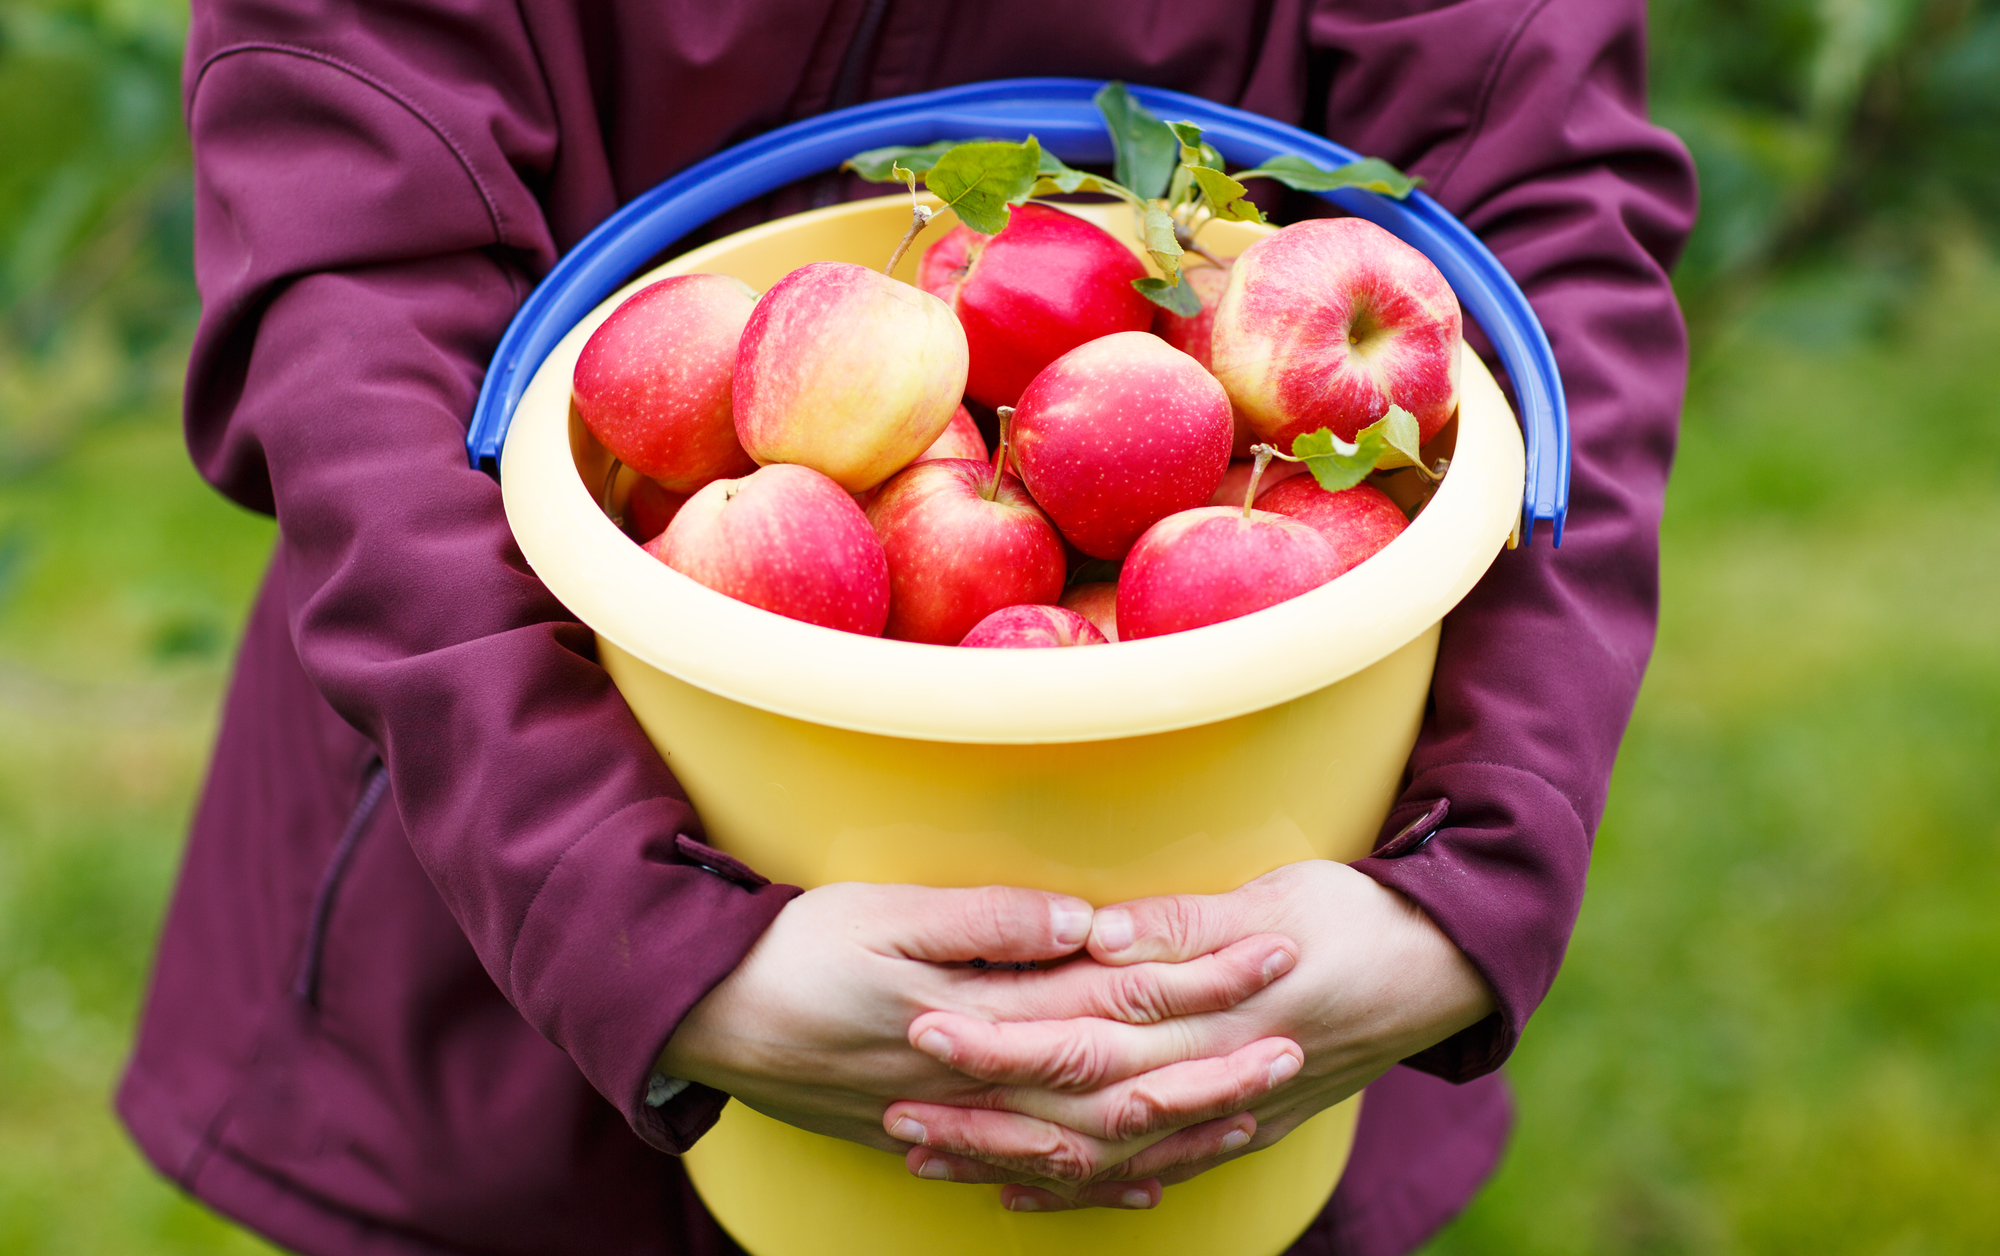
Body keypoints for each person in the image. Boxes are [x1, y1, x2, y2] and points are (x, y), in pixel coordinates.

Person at [119, 2, 1696, 1253]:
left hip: (1244, 918)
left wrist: (1463, 885)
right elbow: (357, 298)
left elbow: (1540, 205)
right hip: (501, 864)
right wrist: (638, 934)